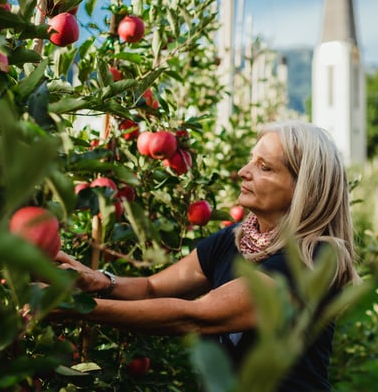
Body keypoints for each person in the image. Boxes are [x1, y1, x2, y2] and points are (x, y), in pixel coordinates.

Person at [54, 120, 361, 390]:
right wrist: (99, 281)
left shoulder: (313, 255)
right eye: (250, 161)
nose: (243, 172)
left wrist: (80, 308)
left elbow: (197, 316)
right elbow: (151, 288)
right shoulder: (233, 239)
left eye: (264, 167)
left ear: (304, 188)